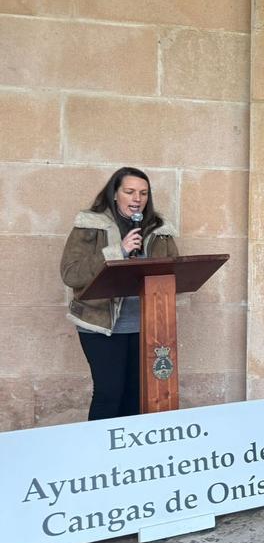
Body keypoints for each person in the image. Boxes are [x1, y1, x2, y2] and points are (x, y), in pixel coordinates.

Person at [61, 167, 180, 421]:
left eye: (143, 193)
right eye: (130, 191)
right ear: (115, 195)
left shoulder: (160, 230)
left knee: (136, 396)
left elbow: (173, 271)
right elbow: (71, 273)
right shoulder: (90, 225)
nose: (137, 198)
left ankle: (127, 459)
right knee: (109, 393)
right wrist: (118, 251)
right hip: (101, 326)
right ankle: (97, 455)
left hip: (146, 328)